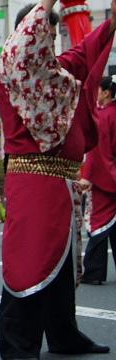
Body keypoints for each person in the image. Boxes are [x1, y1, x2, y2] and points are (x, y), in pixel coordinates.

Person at [0, 0, 115, 358]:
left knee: (61, 265)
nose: (50, 35)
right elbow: (25, 53)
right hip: (33, 178)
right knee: (29, 263)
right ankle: (17, 346)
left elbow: (86, 52)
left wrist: (111, 23)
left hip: (60, 180)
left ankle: (64, 334)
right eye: (43, 27)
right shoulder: (10, 67)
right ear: (25, 32)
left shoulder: (58, 72)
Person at [79, 76, 116, 285]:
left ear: (106, 93)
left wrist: (87, 176)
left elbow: (97, 150)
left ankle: (94, 271)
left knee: (100, 222)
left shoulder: (103, 117)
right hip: (112, 171)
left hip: (106, 177)